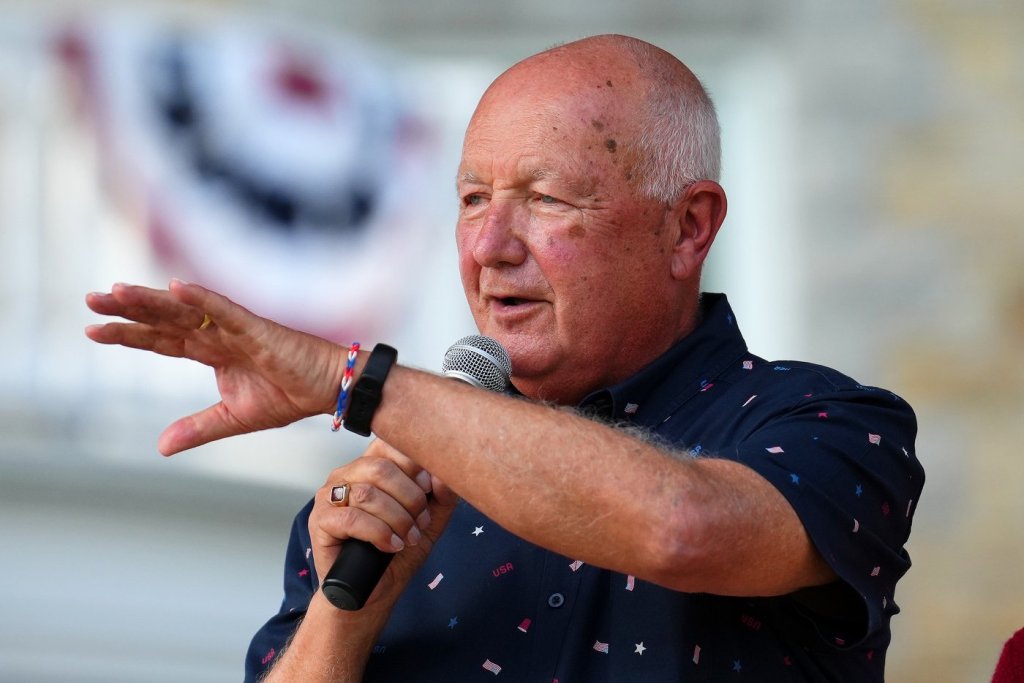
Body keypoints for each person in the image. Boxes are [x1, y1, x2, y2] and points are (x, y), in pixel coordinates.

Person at [85, 34, 923, 682]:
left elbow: (680, 526)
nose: (488, 246)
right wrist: (348, 615)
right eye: (472, 198)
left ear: (688, 227)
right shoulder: (380, 494)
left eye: (546, 199)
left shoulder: (830, 426)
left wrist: (352, 381)